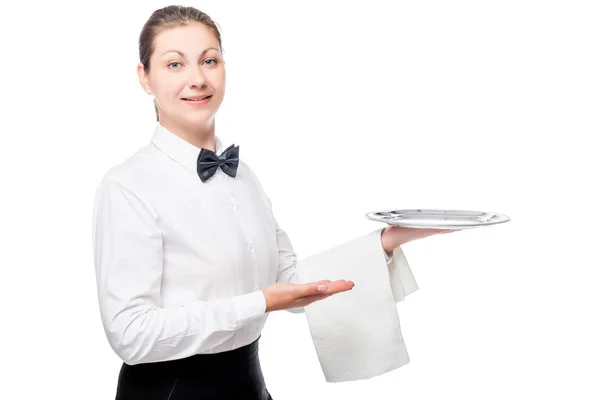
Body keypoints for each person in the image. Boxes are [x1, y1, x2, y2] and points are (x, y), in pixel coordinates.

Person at [92, 5, 453, 399]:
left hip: (250, 385)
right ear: (145, 77)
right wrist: (259, 302)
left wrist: (386, 240)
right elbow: (130, 334)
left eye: (209, 60)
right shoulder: (128, 185)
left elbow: (288, 280)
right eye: (175, 64)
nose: (197, 79)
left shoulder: (243, 175)